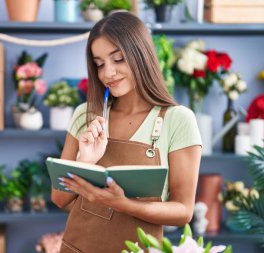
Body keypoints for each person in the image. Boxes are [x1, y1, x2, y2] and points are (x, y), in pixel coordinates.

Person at [51, 12, 202, 253]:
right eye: (99, 64)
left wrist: (124, 204)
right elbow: (59, 199)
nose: (107, 73)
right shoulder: (86, 115)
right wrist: (85, 161)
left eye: (118, 59)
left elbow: (183, 211)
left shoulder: (177, 120)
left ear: (141, 55)